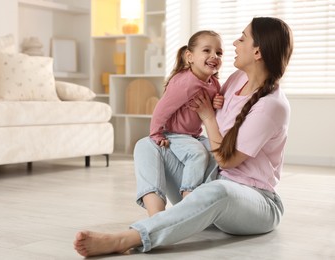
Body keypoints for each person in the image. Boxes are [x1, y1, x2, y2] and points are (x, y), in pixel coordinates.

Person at [74, 16, 293, 257]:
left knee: (220, 190)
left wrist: (208, 117)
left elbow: (227, 161)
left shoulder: (272, 106)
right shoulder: (236, 80)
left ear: (258, 51)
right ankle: (159, 220)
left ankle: (128, 238)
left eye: (242, 38)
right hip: (211, 182)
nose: (234, 43)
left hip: (255, 201)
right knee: (147, 145)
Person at [149, 30, 224, 203]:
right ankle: (188, 196)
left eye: (218, 53)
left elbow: (209, 108)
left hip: (194, 134)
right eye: (207, 50)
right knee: (197, 154)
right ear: (189, 57)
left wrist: (216, 103)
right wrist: (156, 134)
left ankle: (207, 194)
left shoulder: (213, 83)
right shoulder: (184, 83)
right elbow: (162, 109)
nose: (214, 56)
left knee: (217, 152)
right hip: (174, 133)